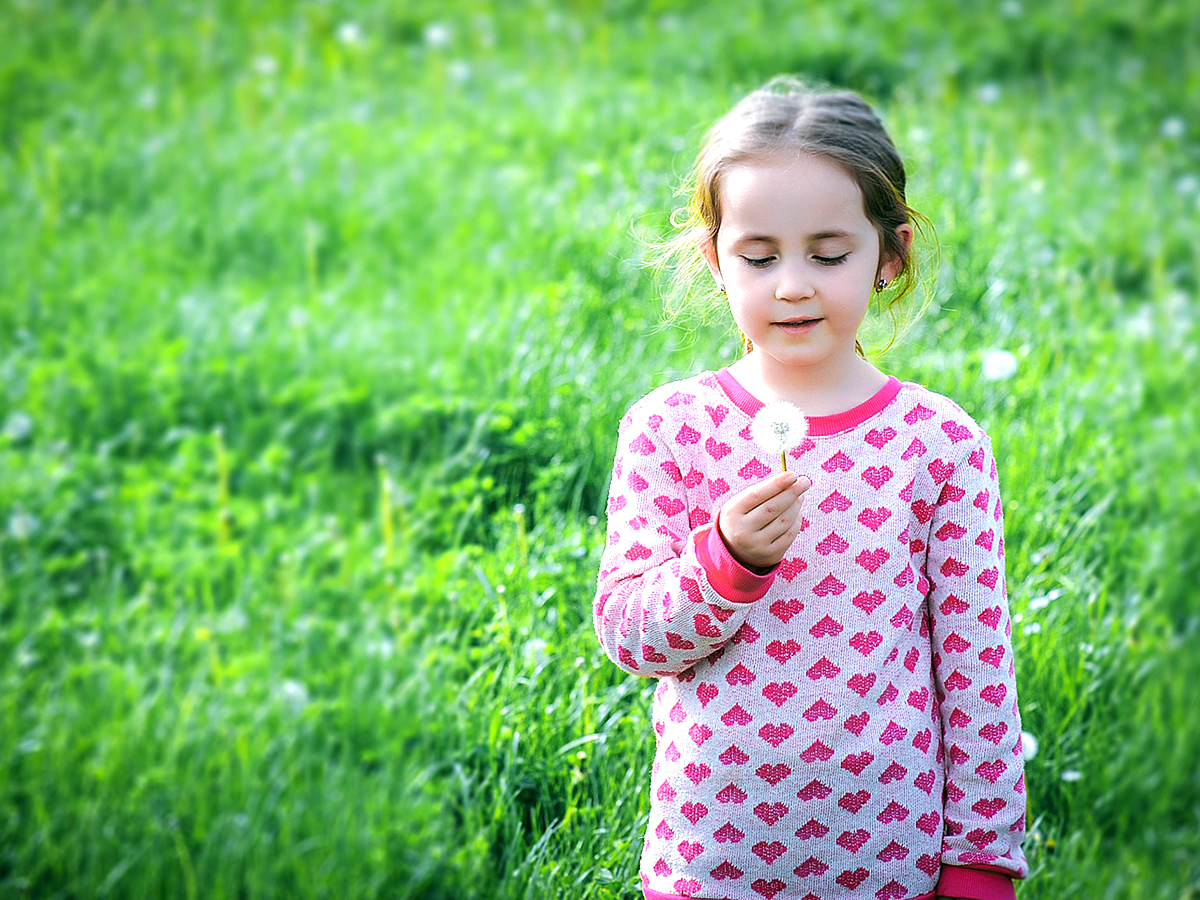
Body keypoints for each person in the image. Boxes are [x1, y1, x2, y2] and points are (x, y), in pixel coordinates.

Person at [592, 76, 1028, 900]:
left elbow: (976, 672)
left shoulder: (940, 444)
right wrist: (722, 564)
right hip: (714, 855)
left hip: (890, 858)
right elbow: (631, 637)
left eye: (828, 255)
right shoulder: (670, 429)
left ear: (890, 254)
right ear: (713, 257)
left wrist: (981, 861)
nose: (792, 284)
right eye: (759, 256)